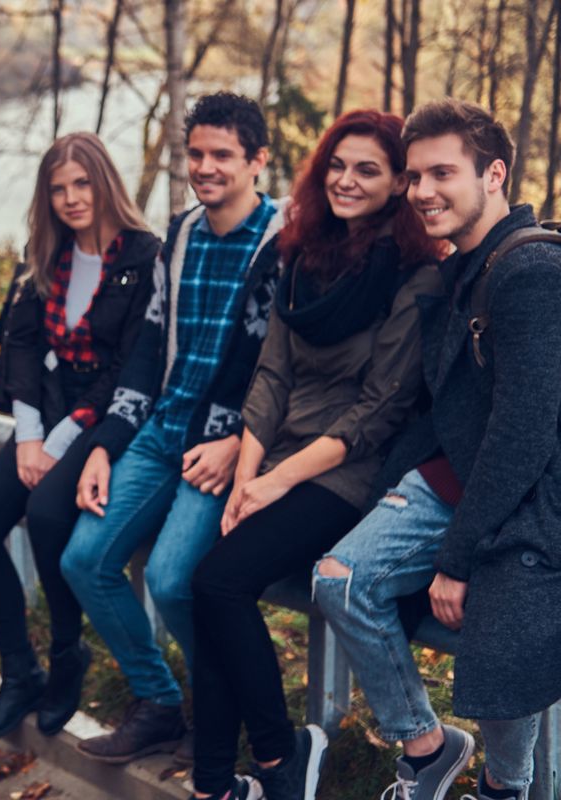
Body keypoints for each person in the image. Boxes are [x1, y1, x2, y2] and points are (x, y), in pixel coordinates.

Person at [189, 109, 444, 800]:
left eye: (367, 169)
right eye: (337, 164)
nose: (346, 180)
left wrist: (273, 486)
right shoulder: (303, 257)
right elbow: (271, 374)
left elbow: (381, 407)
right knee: (211, 588)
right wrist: (247, 477)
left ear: (398, 183)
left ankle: (281, 757)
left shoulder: (414, 274)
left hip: (348, 471)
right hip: (275, 460)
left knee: (217, 583)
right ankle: (214, 785)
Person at [314, 99, 561, 800]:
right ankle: (427, 750)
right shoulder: (464, 264)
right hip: (462, 475)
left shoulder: (531, 271)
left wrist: (456, 559)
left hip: (532, 497)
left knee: (505, 640)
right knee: (339, 580)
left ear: (494, 175)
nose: (422, 191)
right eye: (414, 176)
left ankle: (503, 786)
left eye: (442, 173)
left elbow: (525, 432)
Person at [60, 93, 286, 765]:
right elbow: (148, 348)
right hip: (161, 430)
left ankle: (226, 707)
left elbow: (285, 369)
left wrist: (240, 441)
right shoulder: (180, 236)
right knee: (84, 561)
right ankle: (159, 703)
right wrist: (105, 443)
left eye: (223, 155)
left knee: (169, 578)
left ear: (258, 161)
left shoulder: (285, 245)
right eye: (196, 154)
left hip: (226, 442)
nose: (205, 167)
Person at [0, 132, 157, 743]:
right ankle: (19, 671)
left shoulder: (146, 258)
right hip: (40, 420)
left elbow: (130, 366)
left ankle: (69, 654)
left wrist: (60, 439)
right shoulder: (42, 255)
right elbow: (18, 346)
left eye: (82, 183)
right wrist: (27, 438)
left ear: (105, 183)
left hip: (102, 422)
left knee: (46, 513)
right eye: (59, 188)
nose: (72, 198)